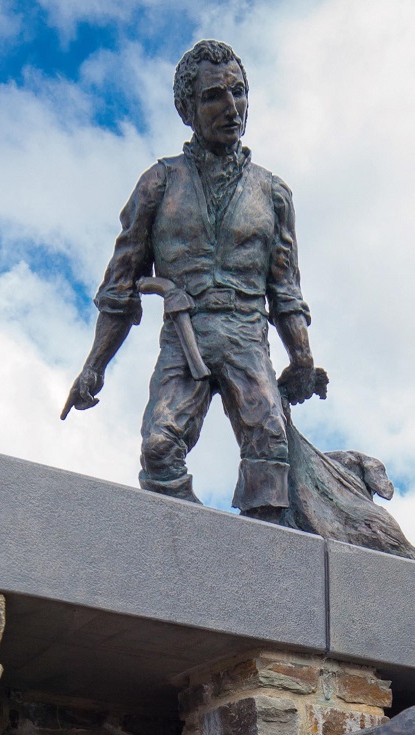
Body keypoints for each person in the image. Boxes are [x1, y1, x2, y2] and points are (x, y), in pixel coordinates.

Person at [62, 40, 321, 523]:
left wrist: (303, 358)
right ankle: (192, 553)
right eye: (213, 97)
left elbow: (285, 290)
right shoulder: (158, 184)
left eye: (239, 93)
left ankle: (262, 561)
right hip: (185, 336)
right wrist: (94, 366)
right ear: (187, 108)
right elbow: (119, 289)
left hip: (248, 334)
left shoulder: (274, 193)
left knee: (270, 444)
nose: (232, 108)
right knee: (159, 448)